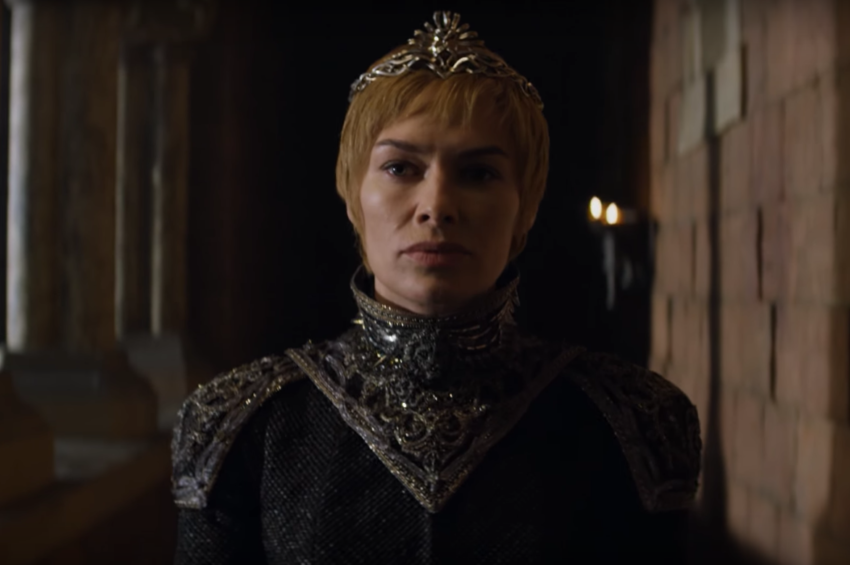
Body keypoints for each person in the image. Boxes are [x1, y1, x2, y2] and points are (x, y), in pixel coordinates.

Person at [171, 11, 701, 564]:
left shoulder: (628, 426)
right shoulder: (244, 428)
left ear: (525, 207)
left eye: (478, 173)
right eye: (400, 168)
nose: (437, 206)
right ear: (353, 197)